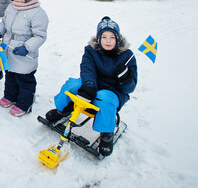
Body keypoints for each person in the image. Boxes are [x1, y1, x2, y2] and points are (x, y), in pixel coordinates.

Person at [45, 16, 138, 156]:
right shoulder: (91, 50)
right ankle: (63, 110)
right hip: (92, 84)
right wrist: (89, 86)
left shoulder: (127, 56)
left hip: (112, 92)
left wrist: (125, 78)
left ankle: (106, 132)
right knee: (71, 84)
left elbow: (130, 88)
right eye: (104, 37)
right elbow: (87, 69)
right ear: (98, 38)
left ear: (117, 39)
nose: (107, 41)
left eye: (112, 37)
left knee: (104, 98)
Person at [0, 0, 48, 117]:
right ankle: (10, 96)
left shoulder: (37, 13)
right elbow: (4, 23)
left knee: (24, 81)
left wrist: (27, 47)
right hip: (8, 51)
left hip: (24, 54)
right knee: (10, 76)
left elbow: (40, 36)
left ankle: (25, 103)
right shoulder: (11, 8)